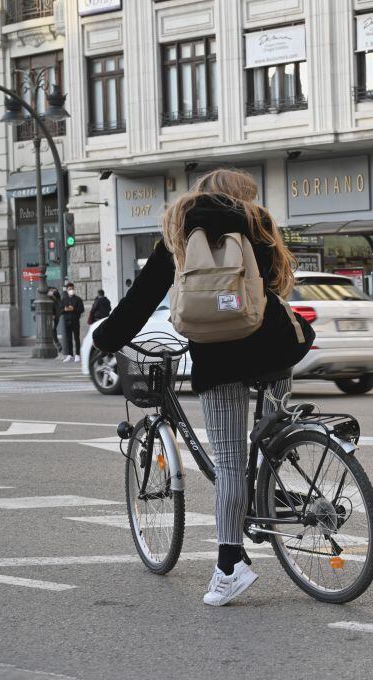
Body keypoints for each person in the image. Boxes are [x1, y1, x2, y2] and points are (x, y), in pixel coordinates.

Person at [93, 168, 313, 607]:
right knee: (273, 438)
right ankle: (279, 478)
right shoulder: (260, 226)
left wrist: (105, 339)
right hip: (274, 348)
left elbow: (141, 299)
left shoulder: (179, 234)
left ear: (199, 194)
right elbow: (277, 288)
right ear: (242, 196)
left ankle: (230, 566)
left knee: (230, 461)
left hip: (220, 356)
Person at [60, 283, 85, 362]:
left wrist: (73, 309)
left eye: (72, 289)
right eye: (69, 289)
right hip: (67, 321)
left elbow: (82, 309)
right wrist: (65, 310)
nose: (71, 290)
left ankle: (77, 354)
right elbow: (60, 310)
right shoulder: (64, 299)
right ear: (67, 290)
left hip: (75, 320)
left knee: (76, 338)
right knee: (68, 338)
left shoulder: (78, 299)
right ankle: (70, 355)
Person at [47, 286, 63, 354]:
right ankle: (56, 343)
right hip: (54, 316)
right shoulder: (54, 298)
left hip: (53, 316)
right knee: (52, 330)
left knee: (53, 330)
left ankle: (57, 343)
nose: (51, 291)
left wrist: (53, 314)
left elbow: (54, 306)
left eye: (52, 290)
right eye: (50, 290)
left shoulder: (54, 298)